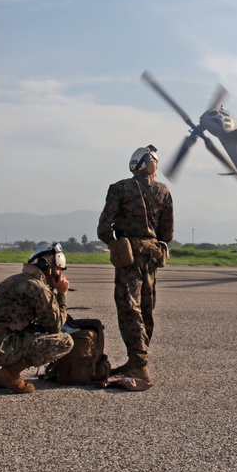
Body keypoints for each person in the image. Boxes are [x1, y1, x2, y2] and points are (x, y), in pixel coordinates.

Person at [97, 144, 174, 384]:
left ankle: (138, 363)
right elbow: (167, 233)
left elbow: (103, 228)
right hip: (151, 256)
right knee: (146, 307)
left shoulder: (119, 188)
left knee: (129, 307)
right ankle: (138, 360)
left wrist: (115, 244)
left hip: (129, 257)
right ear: (152, 165)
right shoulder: (164, 191)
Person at [0, 243, 74, 393]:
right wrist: (62, 294)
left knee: (24, 330)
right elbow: (54, 325)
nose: (60, 273)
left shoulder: (14, 280)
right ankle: (10, 373)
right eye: (58, 268)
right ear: (47, 266)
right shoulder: (39, 288)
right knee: (65, 342)